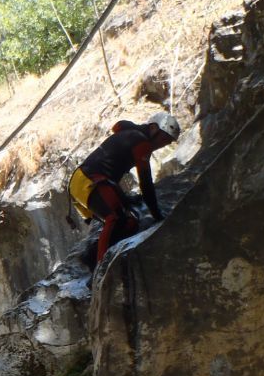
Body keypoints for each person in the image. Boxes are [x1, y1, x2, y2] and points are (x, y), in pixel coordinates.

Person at [68, 111, 180, 265]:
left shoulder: (130, 134)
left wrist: (126, 199)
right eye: (163, 139)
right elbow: (145, 181)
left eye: (166, 143)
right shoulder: (141, 142)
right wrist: (157, 214)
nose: (161, 145)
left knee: (129, 223)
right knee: (115, 218)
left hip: (82, 182)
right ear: (153, 128)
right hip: (90, 180)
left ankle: (92, 258)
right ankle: (100, 268)